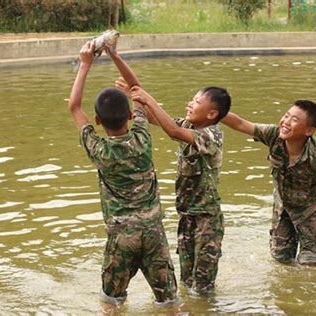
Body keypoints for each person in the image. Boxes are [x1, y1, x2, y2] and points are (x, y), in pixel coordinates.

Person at [67, 40, 178, 308]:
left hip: (121, 238)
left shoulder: (99, 149)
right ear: (130, 115)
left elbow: (74, 106)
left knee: (111, 303)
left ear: (97, 121)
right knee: (171, 303)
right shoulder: (142, 138)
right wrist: (114, 55)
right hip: (153, 234)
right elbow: (139, 91)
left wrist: (85, 64)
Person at [221, 100, 316, 266]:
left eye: (294, 120)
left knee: (310, 264)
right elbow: (241, 124)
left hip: (310, 211)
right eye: (286, 116)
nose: (286, 122)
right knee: (281, 260)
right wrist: (215, 110)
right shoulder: (273, 135)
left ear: (309, 130)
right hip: (283, 208)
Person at [124, 81, 231, 291]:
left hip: (206, 221)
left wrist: (146, 98)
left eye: (196, 102)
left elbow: (172, 131)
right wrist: (133, 96)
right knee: (186, 284)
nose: (189, 104)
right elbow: (156, 119)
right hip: (187, 218)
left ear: (211, 114)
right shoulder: (189, 126)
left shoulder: (212, 135)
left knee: (202, 288)